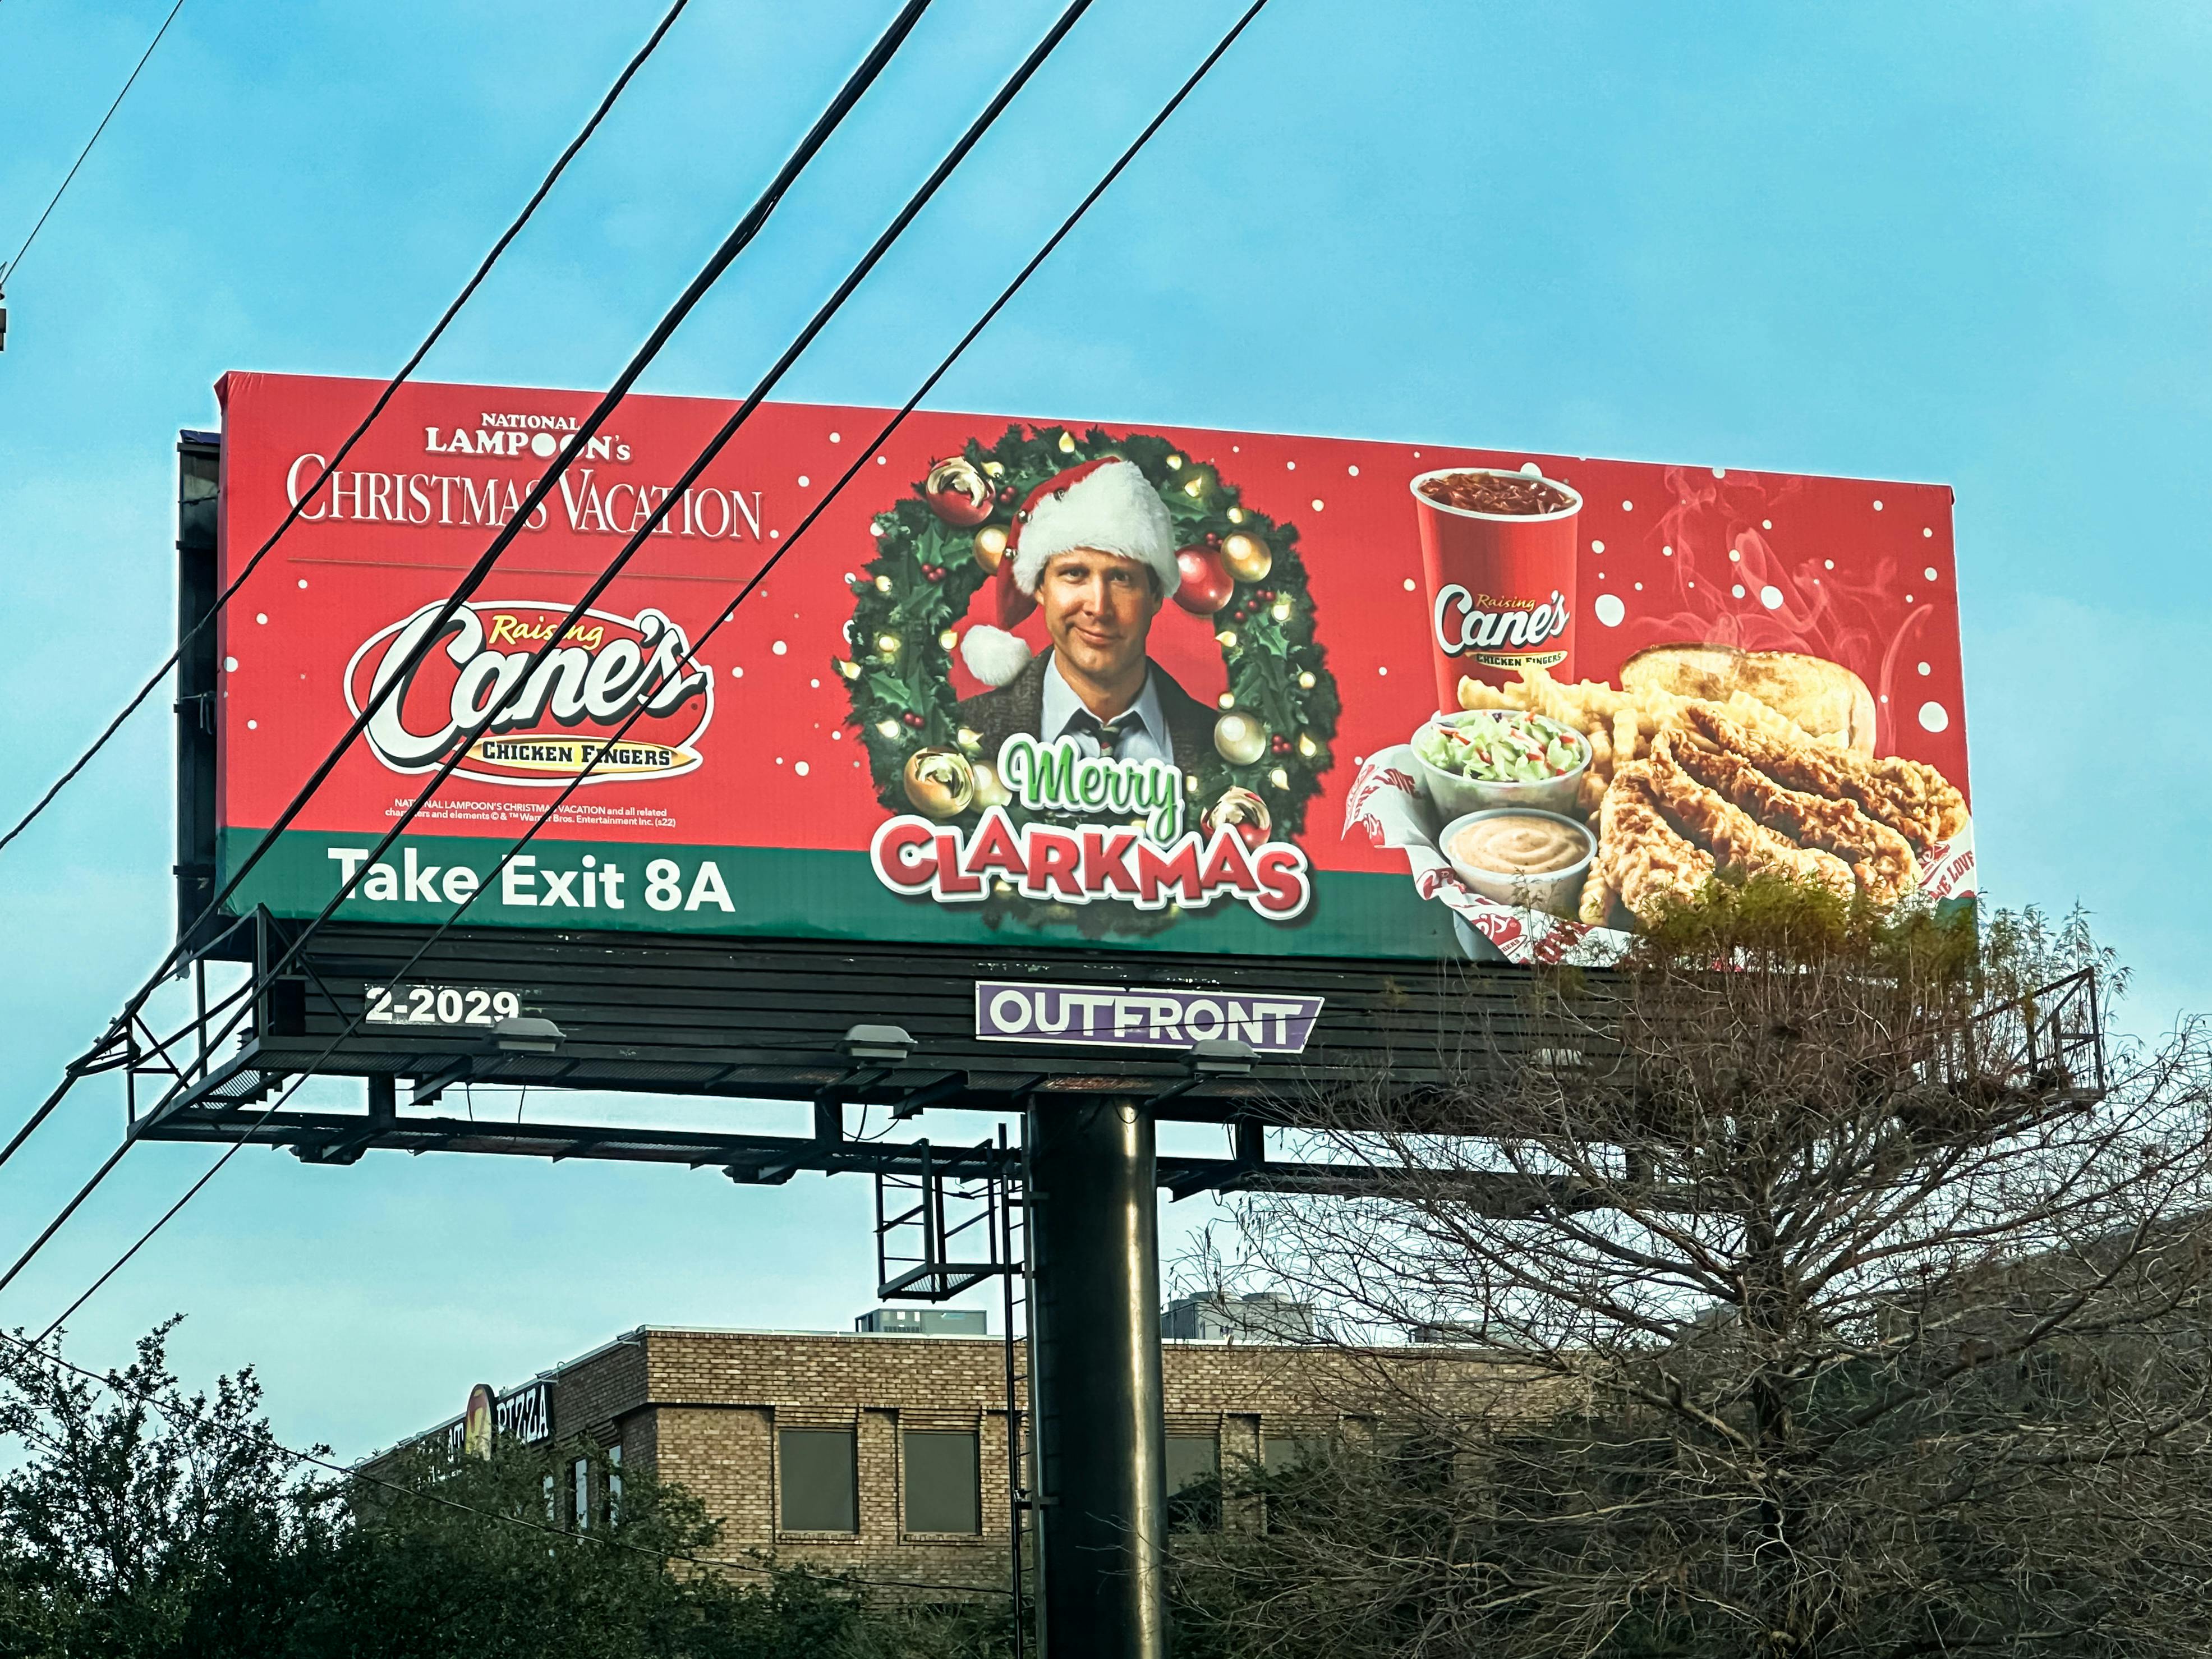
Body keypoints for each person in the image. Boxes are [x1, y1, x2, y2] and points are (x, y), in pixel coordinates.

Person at [956, 456, 1214, 769]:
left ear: (1156, 595)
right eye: (1075, 574)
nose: (1098, 607)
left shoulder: (1216, 743)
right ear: (1040, 587)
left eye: (1121, 578)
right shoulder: (966, 733)